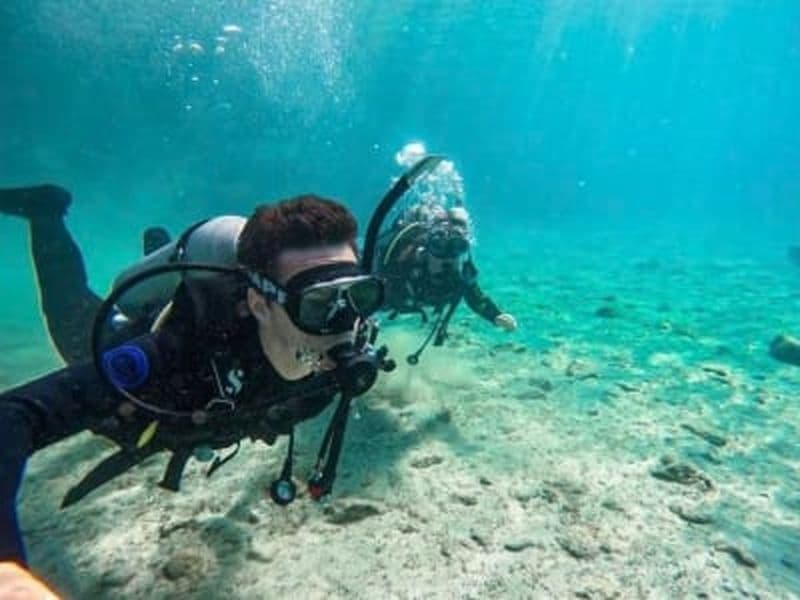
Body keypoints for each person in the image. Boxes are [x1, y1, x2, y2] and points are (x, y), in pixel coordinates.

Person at [0, 184, 392, 569]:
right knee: (67, 309)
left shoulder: (342, 351)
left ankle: (158, 246)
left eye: (358, 296)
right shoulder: (180, 351)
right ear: (260, 304)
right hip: (112, 340)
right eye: (318, 302)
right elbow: (16, 414)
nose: (346, 324)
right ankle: (46, 213)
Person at [377, 199, 517, 363]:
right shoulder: (405, 263)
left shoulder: (461, 274)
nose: (447, 258)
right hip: (397, 298)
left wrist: (495, 316)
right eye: (438, 247)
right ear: (427, 248)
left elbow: (476, 298)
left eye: (458, 247)